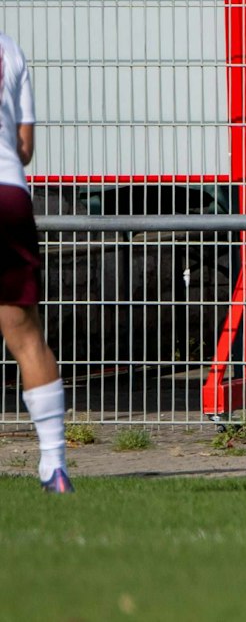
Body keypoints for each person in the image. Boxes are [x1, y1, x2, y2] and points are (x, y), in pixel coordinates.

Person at [0, 30, 71, 493]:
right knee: (25, 335)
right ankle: (54, 466)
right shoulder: (10, 49)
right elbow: (25, 148)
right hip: (9, 194)